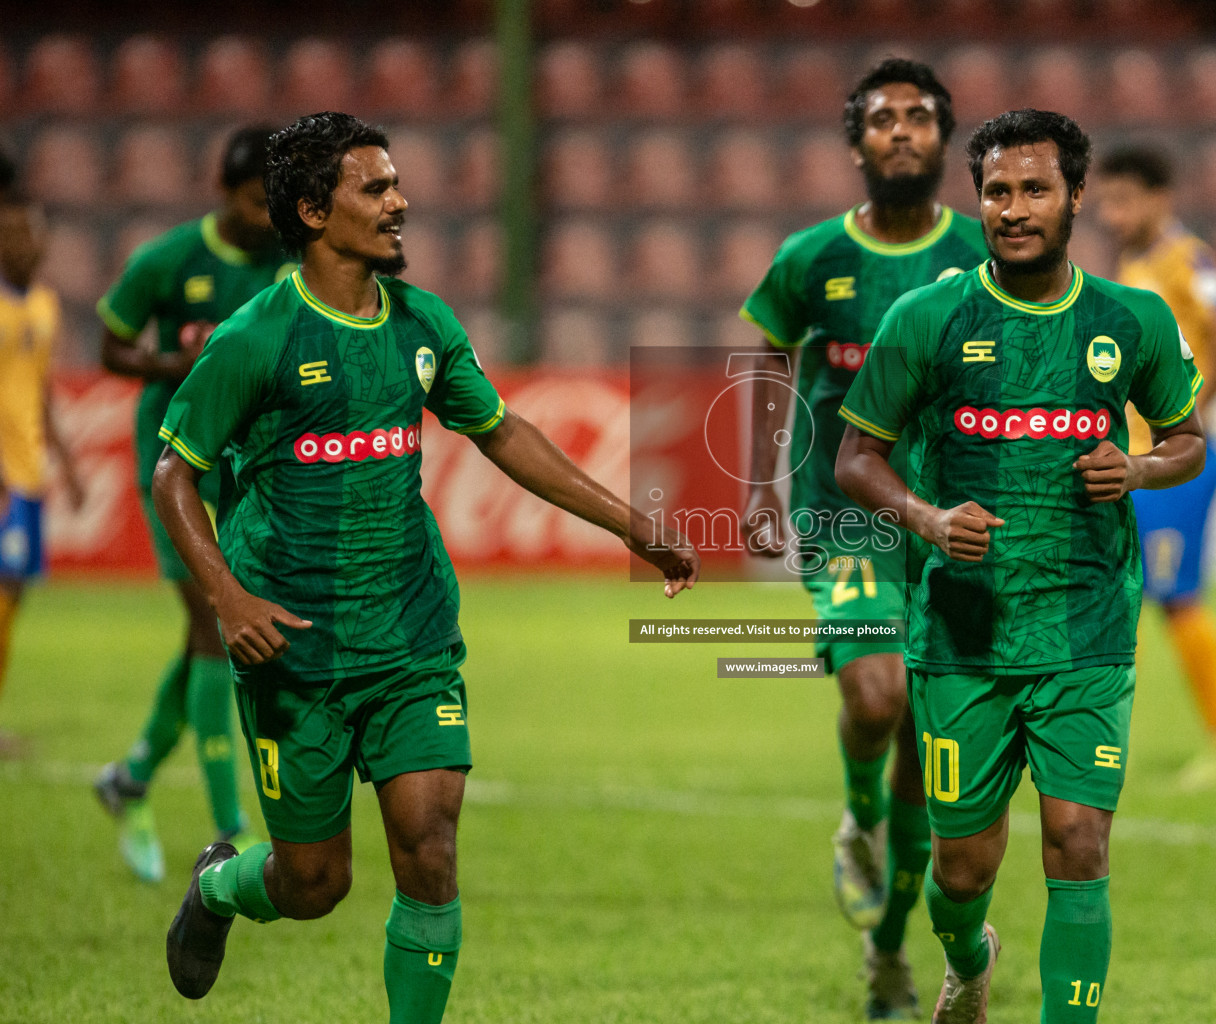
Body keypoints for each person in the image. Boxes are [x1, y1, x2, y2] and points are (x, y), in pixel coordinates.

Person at [155, 112, 697, 1022]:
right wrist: (226, 594)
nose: (401, 201)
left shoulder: (422, 322)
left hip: (409, 635)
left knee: (430, 849)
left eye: (396, 182)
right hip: (294, 647)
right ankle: (220, 889)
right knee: (313, 883)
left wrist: (631, 523)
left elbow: (503, 432)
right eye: (376, 187)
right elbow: (177, 471)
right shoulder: (257, 337)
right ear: (312, 211)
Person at [835, 109, 1205, 1023]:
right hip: (963, 635)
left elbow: (1188, 440)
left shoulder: (1135, 319)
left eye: (1035, 188)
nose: (1013, 208)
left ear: (1076, 197)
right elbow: (855, 458)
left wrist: (1142, 466)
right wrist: (925, 517)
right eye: (997, 191)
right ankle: (968, 958)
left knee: (1078, 843)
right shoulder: (927, 317)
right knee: (960, 873)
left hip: (1087, 629)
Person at [739, 57, 986, 1020]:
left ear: (941, 142)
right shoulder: (811, 259)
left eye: (920, 118)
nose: (901, 132)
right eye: (883, 119)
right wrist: (760, 479)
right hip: (844, 503)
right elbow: (768, 358)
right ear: (856, 145)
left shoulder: (981, 254)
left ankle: (889, 952)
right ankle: (859, 817)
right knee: (876, 694)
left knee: (938, 754)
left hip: (956, 516)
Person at [93, 126, 289, 881]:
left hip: (243, 474)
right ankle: (232, 829)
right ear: (222, 189)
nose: (261, 214)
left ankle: (132, 776)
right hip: (173, 465)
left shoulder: (286, 265)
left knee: (204, 633)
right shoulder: (169, 260)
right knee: (217, 627)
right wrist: (167, 364)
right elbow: (111, 344)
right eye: (250, 199)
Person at [1095, 145, 1216, 789]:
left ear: (1161, 197)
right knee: (1126, 598)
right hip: (1144, 462)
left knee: (1177, 599)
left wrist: (1199, 409)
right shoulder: (1139, 262)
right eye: (1105, 201)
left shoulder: (1182, 259)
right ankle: (1090, 739)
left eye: (1123, 200)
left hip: (1172, 462)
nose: (1111, 215)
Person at [0, 151, 85, 756]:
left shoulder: (45, 307)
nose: (27, 244)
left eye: (33, 232)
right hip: (2, 475)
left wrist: (70, 462)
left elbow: (45, 392)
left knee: (14, 599)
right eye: (14, 234)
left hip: (28, 473)